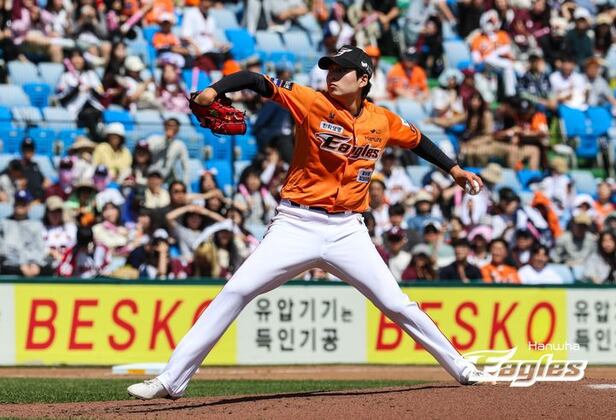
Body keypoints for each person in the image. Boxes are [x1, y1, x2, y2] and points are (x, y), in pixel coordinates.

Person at [128, 45, 487, 400]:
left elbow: (418, 140)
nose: (332, 75)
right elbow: (256, 80)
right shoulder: (311, 101)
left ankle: (462, 367)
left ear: (363, 79)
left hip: (348, 230)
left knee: (395, 303)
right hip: (296, 223)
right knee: (237, 291)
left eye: (341, 70)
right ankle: (171, 379)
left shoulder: (382, 120)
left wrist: (454, 169)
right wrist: (214, 89)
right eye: (330, 69)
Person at [0, 190, 51, 276]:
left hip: (33, 265)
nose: (20, 206)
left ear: (29, 206)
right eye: (18, 203)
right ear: (14, 204)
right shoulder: (3, 224)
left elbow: (40, 248)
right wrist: (21, 265)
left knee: (48, 268)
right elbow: (3, 250)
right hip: (11, 265)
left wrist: (35, 264)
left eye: (23, 204)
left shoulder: (36, 225)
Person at [147, 117, 190, 186]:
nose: (171, 128)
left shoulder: (180, 145)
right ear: (164, 126)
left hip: (166, 179)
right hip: (150, 177)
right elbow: (150, 153)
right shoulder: (153, 138)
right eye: (169, 125)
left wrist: (185, 184)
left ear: (178, 129)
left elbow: (186, 166)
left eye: (174, 126)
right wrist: (165, 139)